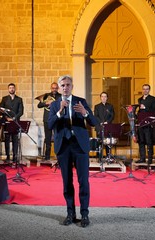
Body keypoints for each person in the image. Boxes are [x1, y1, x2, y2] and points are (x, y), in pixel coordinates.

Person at [48, 75, 97, 228]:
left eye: (68, 85)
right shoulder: (55, 105)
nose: (65, 87)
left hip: (79, 146)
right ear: (59, 87)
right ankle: (70, 213)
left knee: (83, 181)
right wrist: (59, 111)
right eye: (63, 85)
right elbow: (50, 125)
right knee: (67, 182)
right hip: (63, 147)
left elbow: (94, 123)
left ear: (72, 86)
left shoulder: (80, 101)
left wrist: (85, 113)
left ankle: (84, 214)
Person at [0, 83, 24, 163]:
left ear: (15, 89)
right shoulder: (4, 99)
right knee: (7, 139)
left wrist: (14, 118)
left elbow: (21, 111)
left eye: (13, 88)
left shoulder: (19, 99)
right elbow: (0, 109)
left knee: (15, 139)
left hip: (15, 122)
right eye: (10, 88)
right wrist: (6, 117)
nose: (11, 89)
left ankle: (15, 156)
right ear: (8, 89)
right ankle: (8, 156)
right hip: (6, 121)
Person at [37, 82, 61, 160]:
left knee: (58, 138)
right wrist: (46, 103)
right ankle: (47, 157)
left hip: (57, 119)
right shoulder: (46, 96)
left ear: (58, 88)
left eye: (56, 88)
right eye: (53, 88)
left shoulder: (61, 96)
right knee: (48, 138)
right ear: (51, 88)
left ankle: (58, 156)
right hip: (47, 119)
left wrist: (54, 104)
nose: (54, 89)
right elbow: (39, 105)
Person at [136, 84, 155, 164]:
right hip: (141, 123)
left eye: (147, 89)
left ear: (149, 90)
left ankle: (150, 159)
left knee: (149, 141)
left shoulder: (153, 99)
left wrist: (145, 108)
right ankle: (142, 158)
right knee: (141, 141)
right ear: (142, 90)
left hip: (148, 123)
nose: (145, 90)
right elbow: (140, 111)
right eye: (144, 89)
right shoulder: (140, 99)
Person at [94, 92, 115, 157]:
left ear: (107, 98)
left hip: (108, 126)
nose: (103, 98)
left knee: (107, 142)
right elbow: (96, 116)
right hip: (99, 126)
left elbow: (112, 116)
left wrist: (107, 122)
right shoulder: (97, 106)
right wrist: (101, 122)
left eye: (105, 96)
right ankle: (99, 157)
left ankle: (108, 156)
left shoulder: (110, 106)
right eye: (102, 96)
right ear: (100, 98)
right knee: (99, 142)